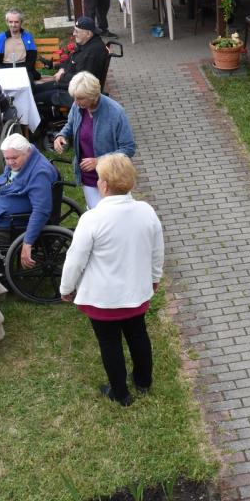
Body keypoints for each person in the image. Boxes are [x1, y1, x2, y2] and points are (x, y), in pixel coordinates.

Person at [60, 154, 164, 407]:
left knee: (109, 343)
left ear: (104, 185)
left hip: (103, 298)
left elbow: (75, 260)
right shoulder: (146, 211)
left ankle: (120, 392)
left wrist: (66, 288)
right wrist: (154, 277)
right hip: (136, 292)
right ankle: (143, 382)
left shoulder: (92, 219)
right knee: (138, 335)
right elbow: (157, 250)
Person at [0, 133, 58, 266]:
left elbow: (41, 211)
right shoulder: (22, 159)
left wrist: (27, 242)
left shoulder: (39, 174)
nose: (9, 163)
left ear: (27, 152)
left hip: (19, 223)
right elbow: (7, 176)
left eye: (14, 158)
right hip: (4, 213)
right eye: (6, 158)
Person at [53, 72, 137, 210]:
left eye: (80, 98)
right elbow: (70, 124)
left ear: (93, 96)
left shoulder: (116, 112)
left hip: (113, 177)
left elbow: (128, 148)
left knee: (115, 214)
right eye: (74, 98)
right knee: (97, 213)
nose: (76, 102)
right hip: (88, 176)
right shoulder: (78, 106)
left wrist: (99, 161)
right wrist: (62, 135)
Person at [33, 17, 111, 108]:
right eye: (74, 30)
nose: (74, 34)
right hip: (67, 85)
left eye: (77, 31)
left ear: (88, 34)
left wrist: (61, 76)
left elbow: (82, 78)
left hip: (76, 93)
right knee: (34, 90)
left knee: (34, 99)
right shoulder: (86, 44)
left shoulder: (91, 53)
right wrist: (61, 68)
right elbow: (71, 60)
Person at [0, 8, 39, 77]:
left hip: (24, 69)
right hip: (5, 69)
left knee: (29, 79)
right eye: (10, 22)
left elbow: (31, 60)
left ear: (21, 22)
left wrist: (20, 71)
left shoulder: (28, 37)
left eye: (16, 22)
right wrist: (9, 73)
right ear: (7, 22)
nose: (13, 25)